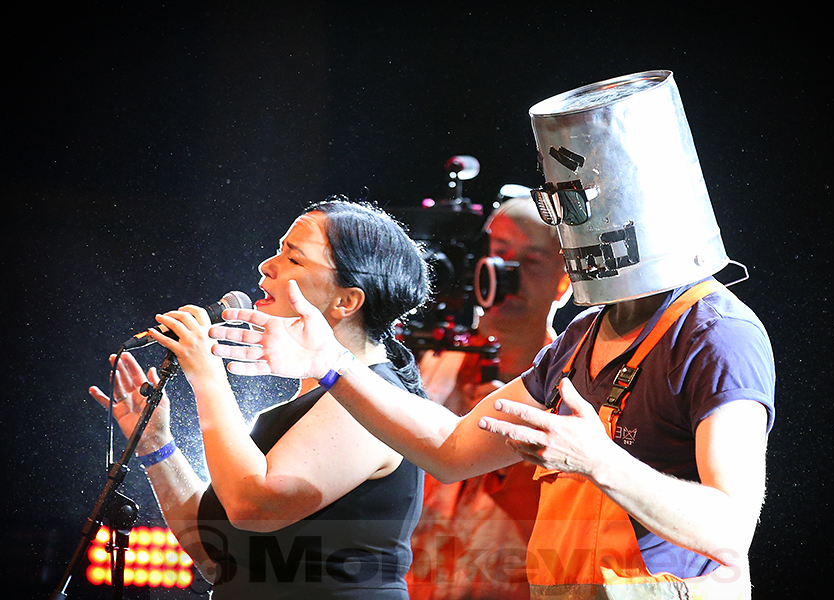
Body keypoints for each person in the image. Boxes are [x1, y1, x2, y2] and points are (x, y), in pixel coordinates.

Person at [210, 71, 776, 599]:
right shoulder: (583, 336)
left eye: (574, 203)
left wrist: (601, 462)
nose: (567, 222)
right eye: (561, 201)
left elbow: (730, 531)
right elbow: (450, 449)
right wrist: (332, 361)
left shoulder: (716, 338)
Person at [89, 198, 432, 599]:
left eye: (294, 258)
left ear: (346, 301)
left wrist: (206, 370)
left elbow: (254, 507)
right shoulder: (296, 408)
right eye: (279, 249)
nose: (266, 266)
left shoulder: (372, 401)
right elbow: (215, 555)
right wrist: (155, 445)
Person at [408, 193, 570, 600]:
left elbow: (564, 526)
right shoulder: (426, 365)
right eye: (499, 254)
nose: (506, 273)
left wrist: (507, 452)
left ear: (565, 280)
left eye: (530, 262)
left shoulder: (576, 389)